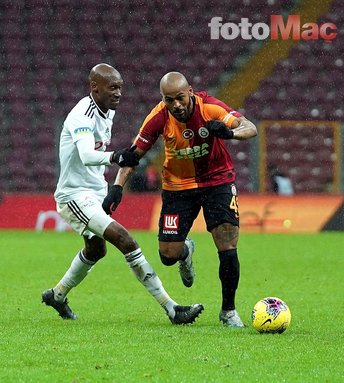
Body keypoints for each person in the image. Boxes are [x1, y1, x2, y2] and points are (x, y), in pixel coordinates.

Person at [41, 64, 204, 325]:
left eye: (120, 88)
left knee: (96, 251)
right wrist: (115, 156)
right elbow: (86, 155)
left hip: (95, 192)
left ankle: (57, 295)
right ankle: (172, 309)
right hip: (74, 196)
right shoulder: (82, 115)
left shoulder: (106, 112)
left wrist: (113, 187)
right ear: (95, 87)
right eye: (112, 88)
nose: (118, 93)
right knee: (126, 241)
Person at [103, 72, 257, 328]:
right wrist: (117, 188)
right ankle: (185, 251)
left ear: (191, 93)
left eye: (180, 98)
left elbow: (249, 127)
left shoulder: (209, 107)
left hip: (217, 181)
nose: (176, 105)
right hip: (177, 188)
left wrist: (230, 134)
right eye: (169, 100)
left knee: (227, 244)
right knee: (167, 255)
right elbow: (133, 154)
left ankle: (228, 311)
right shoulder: (158, 117)